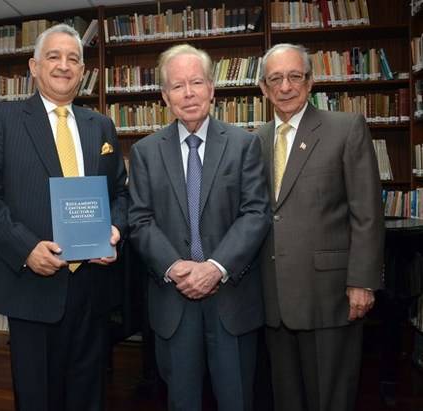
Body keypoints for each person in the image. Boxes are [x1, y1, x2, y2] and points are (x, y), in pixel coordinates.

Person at [0, 24, 128, 411]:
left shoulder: (99, 124)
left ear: (83, 71)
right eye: (54, 56)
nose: (64, 66)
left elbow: (119, 192)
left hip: (91, 288)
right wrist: (25, 249)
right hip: (32, 288)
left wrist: (115, 229)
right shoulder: (2, 119)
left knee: (88, 395)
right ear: (34, 67)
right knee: (38, 397)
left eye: (73, 58)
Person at [128, 44, 271, 411]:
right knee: (181, 401)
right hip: (172, 303)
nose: (188, 93)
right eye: (177, 86)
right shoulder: (145, 152)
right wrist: (175, 268)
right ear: (164, 96)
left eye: (196, 82)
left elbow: (255, 213)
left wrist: (215, 268)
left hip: (231, 300)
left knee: (237, 399)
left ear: (212, 88)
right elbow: (139, 220)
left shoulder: (244, 144)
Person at [256, 43, 384, 411]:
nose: (285, 87)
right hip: (273, 297)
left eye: (295, 76)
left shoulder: (346, 128)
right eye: (275, 79)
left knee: (330, 398)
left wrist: (362, 281)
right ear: (263, 88)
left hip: (329, 295)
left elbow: (367, 212)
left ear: (310, 82)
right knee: (285, 400)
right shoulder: (255, 140)